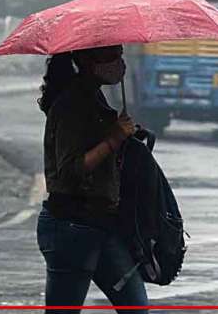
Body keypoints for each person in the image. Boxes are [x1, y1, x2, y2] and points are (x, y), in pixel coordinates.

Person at [35, 45, 148, 314]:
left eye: (120, 54)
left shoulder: (94, 97)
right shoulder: (71, 104)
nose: (119, 63)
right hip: (71, 227)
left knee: (136, 307)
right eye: (112, 56)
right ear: (86, 60)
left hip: (102, 224)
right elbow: (70, 170)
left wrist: (125, 138)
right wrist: (113, 139)